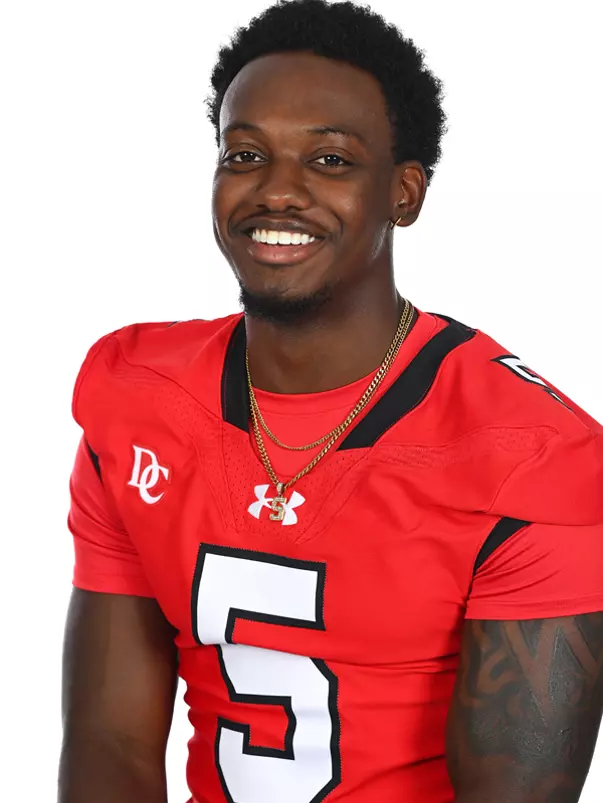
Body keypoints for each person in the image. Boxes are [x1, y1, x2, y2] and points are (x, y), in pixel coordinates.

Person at [58, 1, 603, 802]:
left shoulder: (533, 458)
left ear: (404, 193)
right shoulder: (138, 396)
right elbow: (110, 741)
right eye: (245, 153)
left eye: (330, 161)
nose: (277, 192)